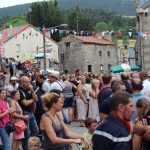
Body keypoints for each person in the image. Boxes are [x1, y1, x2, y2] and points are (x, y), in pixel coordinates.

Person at [18, 76, 39, 150]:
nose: (29, 84)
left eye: (29, 82)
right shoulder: (19, 91)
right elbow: (25, 103)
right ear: (22, 82)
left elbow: (36, 99)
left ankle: (32, 146)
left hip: (31, 112)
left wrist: (32, 91)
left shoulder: (29, 89)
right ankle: (26, 147)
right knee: (26, 133)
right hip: (24, 113)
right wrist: (32, 100)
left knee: (35, 130)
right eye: (27, 82)